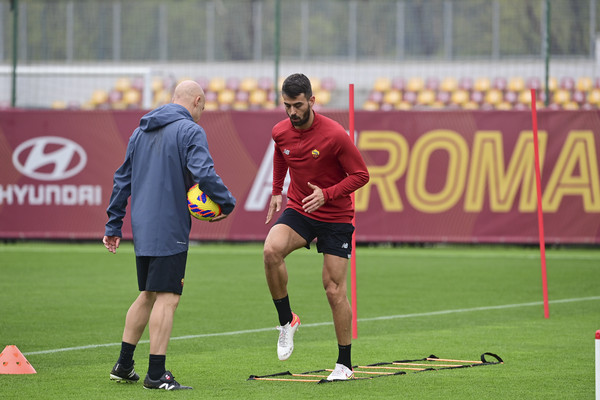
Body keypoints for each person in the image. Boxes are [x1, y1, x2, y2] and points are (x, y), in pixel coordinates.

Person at [103, 80, 236, 391]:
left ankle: (124, 364)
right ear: (198, 100)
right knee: (168, 297)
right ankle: (156, 374)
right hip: (170, 226)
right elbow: (203, 173)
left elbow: (122, 180)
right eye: (203, 107)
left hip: (144, 227)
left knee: (148, 294)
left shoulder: (139, 132)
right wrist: (226, 202)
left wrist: (113, 224)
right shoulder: (190, 131)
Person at [263, 73, 370, 381]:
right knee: (271, 250)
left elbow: (361, 175)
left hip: (335, 215)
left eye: (298, 105)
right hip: (300, 208)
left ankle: (344, 365)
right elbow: (282, 154)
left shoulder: (334, 135)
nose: (292, 113)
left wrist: (327, 194)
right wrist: (275, 191)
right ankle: (287, 321)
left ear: (311, 100)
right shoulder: (280, 131)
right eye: (287, 106)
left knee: (333, 289)